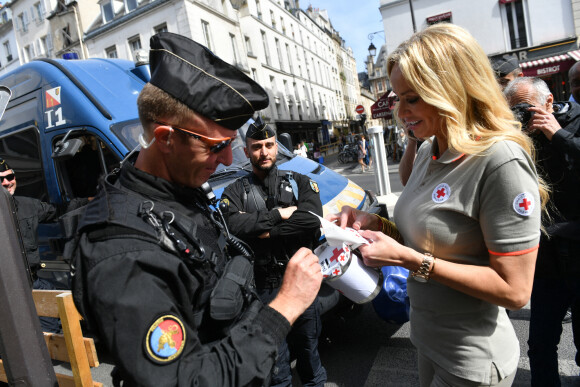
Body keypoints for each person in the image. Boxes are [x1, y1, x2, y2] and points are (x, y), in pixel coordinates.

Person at [68, 32, 322, 386]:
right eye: (216, 147)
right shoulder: (122, 250)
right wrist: (286, 306)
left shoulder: (176, 192)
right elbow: (186, 379)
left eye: (230, 145)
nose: (228, 160)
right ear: (165, 138)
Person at [329, 23, 548, 386]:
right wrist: (376, 225)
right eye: (398, 98)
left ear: (453, 91)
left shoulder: (500, 160)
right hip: (427, 342)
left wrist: (409, 260)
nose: (400, 112)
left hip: (472, 362)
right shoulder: (430, 148)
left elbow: (515, 291)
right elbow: (427, 237)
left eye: (411, 98)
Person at [221, 119, 326, 387]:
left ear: (277, 147)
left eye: (269, 145)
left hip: (301, 282)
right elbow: (233, 225)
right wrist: (278, 214)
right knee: (276, 369)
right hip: (262, 289)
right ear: (246, 152)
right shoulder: (235, 191)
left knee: (310, 360)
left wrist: (267, 231)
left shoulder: (300, 182)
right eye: (256, 147)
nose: (264, 152)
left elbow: (312, 220)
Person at [503, 76, 580, 386]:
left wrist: (556, 133)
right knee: (540, 345)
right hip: (546, 258)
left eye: (524, 108)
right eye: (513, 111)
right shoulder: (520, 136)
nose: (519, 116)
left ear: (549, 102)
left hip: (578, 250)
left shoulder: (574, 122)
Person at [1, 158, 89, 333]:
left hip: (32, 282)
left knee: (56, 327)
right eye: (0, 179)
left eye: (9, 176)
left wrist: (92, 200)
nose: (6, 182)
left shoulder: (28, 205)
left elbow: (59, 211)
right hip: (7, 291)